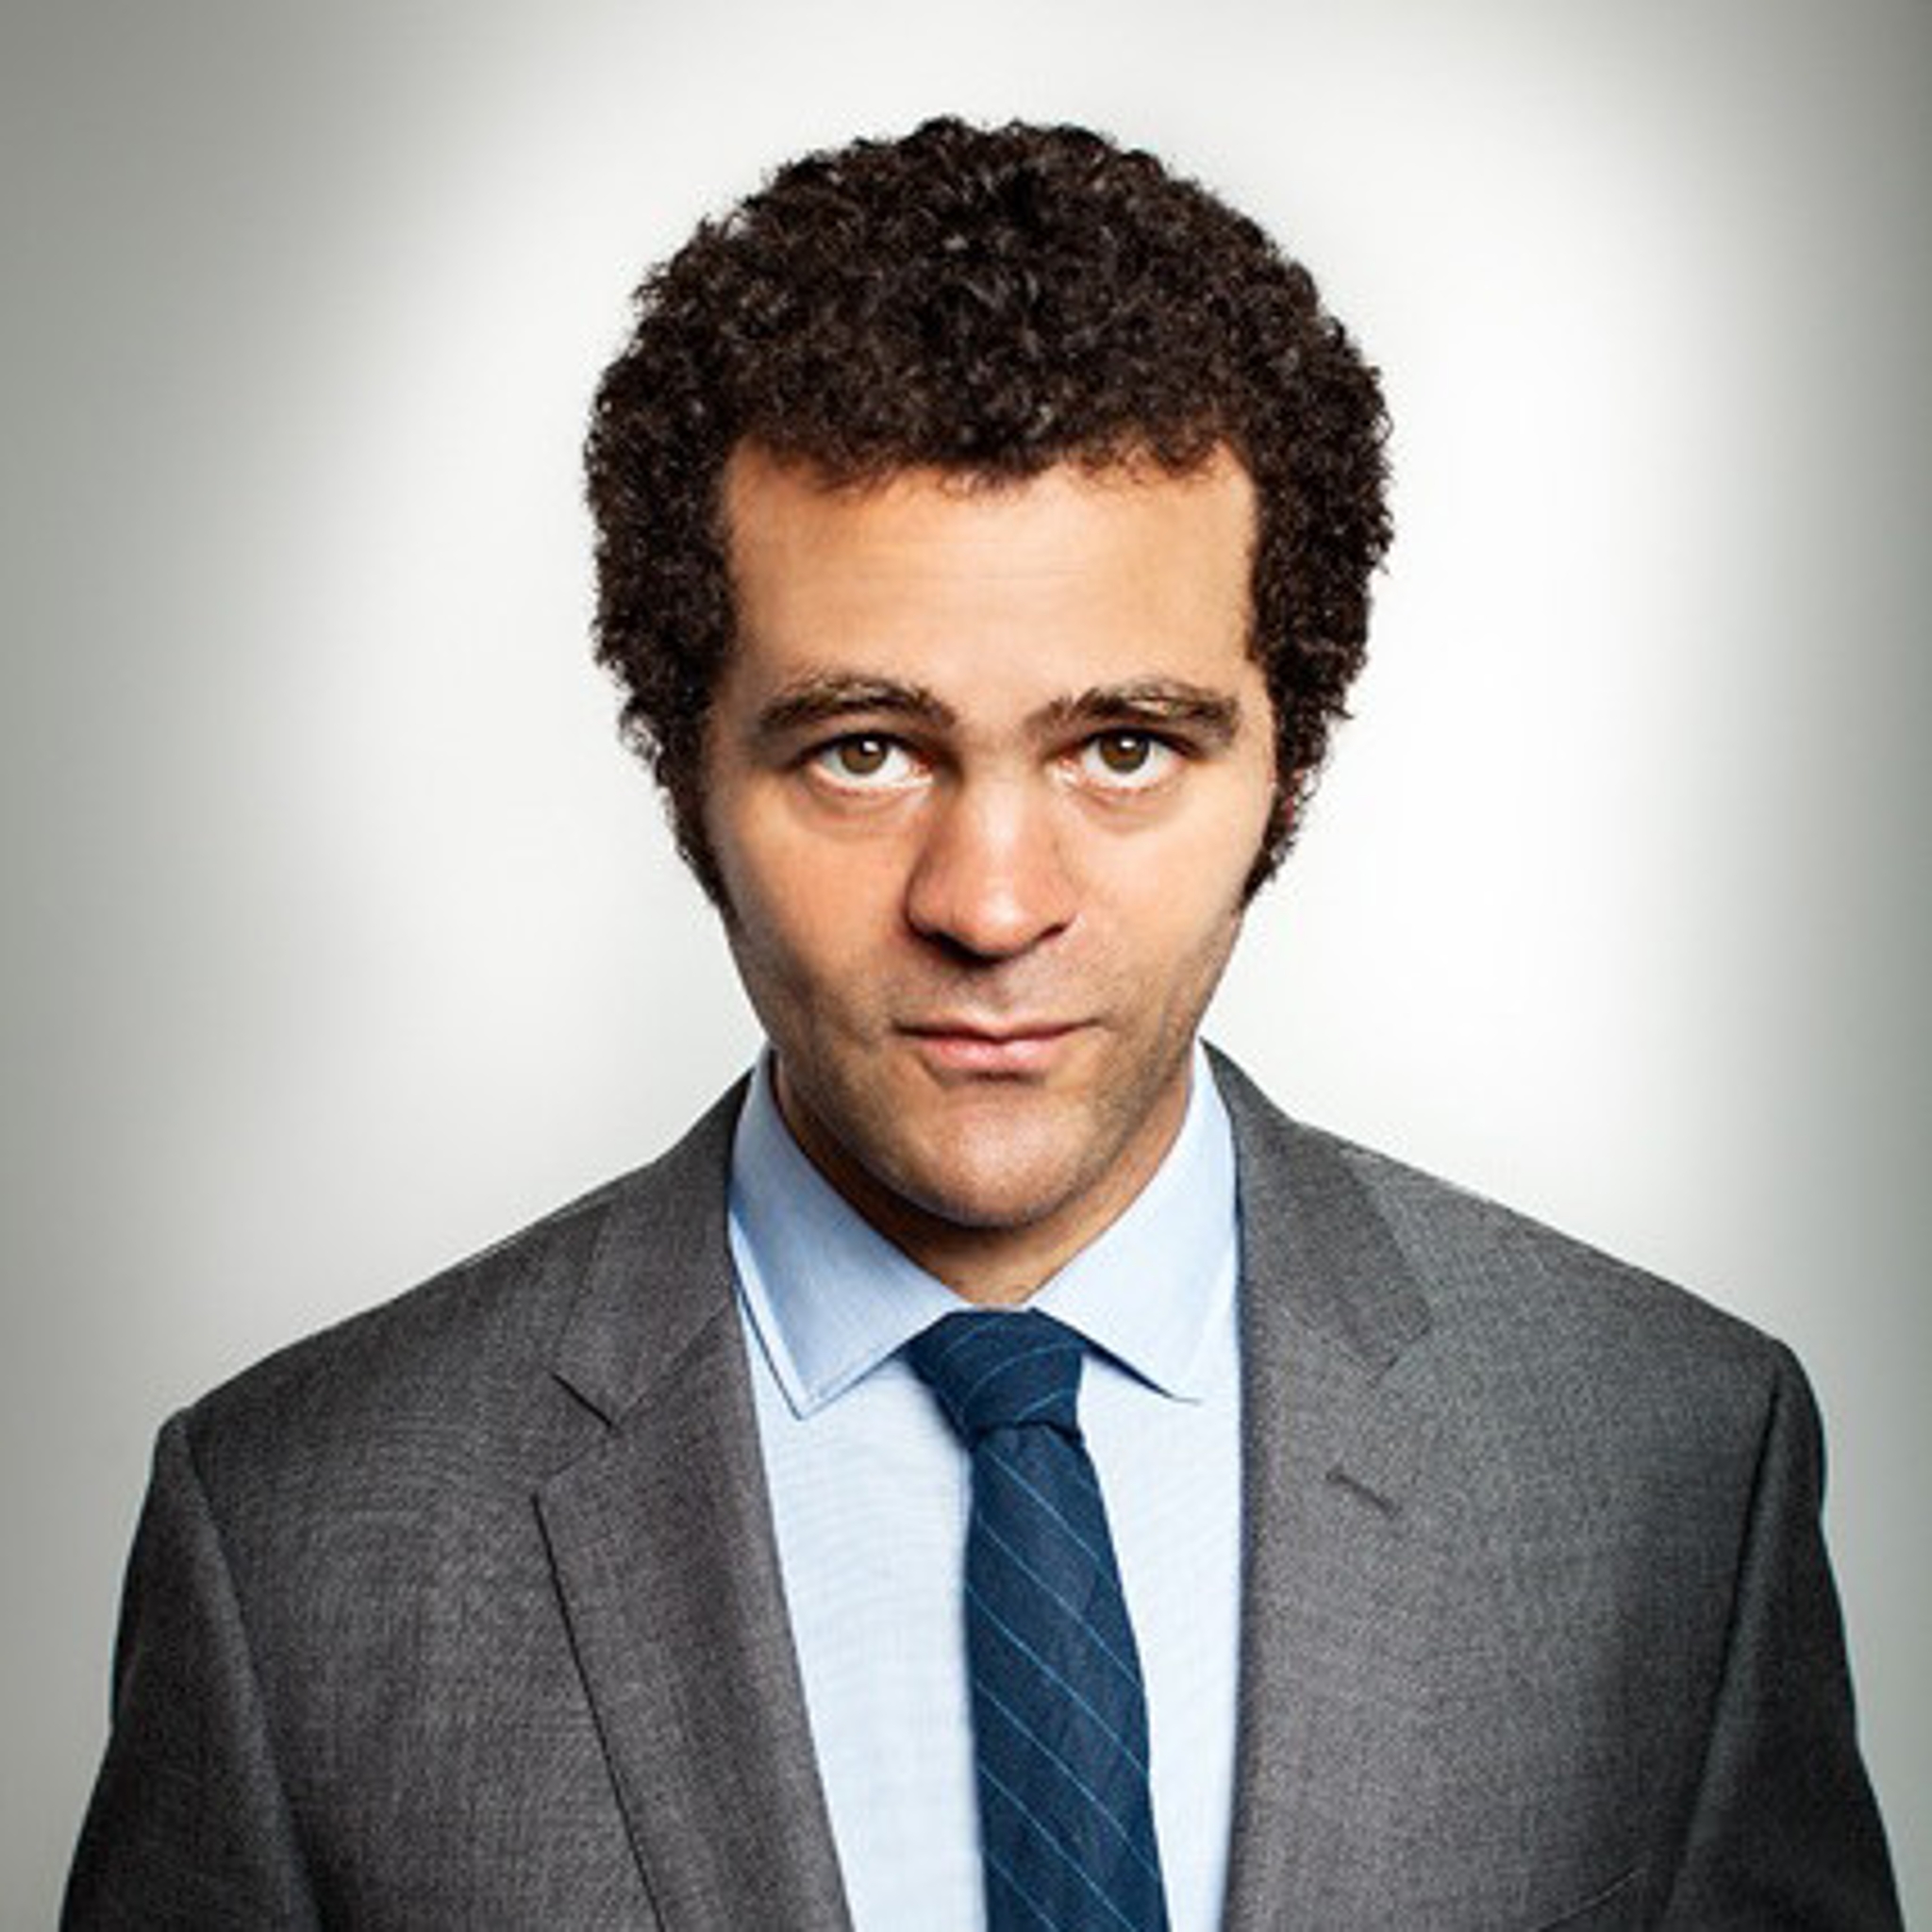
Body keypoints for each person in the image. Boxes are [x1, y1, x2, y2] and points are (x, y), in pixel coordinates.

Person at [65, 118, 1897, 1930]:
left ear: (1287, 759)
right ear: (686, 768)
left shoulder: (1672, 1461)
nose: (993, 904)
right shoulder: (293, 1543)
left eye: (1126, 748)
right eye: (865, 750)